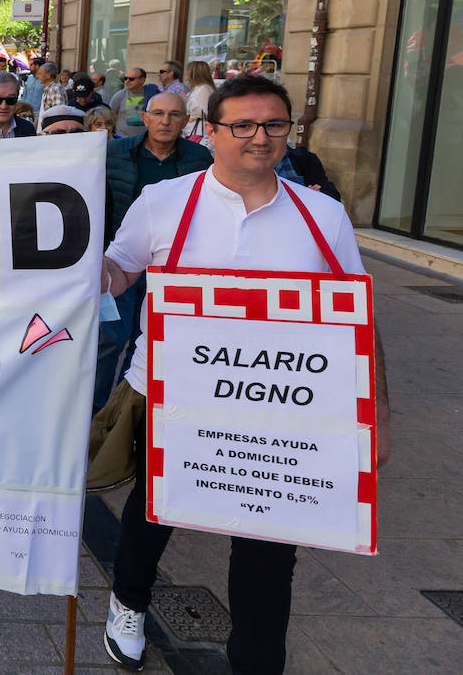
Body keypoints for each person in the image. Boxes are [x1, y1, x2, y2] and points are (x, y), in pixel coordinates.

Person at [100, 76, 387, 674]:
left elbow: (357, 315)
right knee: (154, 514)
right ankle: (128, 601)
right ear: (210, 134)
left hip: (281, 409)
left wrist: (375, 416)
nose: (261, 138)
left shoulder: (323, 215)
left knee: (268, 550)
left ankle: (257, 663)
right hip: (170, 397)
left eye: (274, 125)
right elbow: (118, 272)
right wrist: (67, 263)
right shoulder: (165, 202)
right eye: (244, 126)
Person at [95, 93, 211, 412]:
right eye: (158, 113)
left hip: (169, 267)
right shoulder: (113, 152)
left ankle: (127, 411)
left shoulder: (200, 158)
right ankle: (96, 412)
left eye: (174, 115)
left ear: (186, 121)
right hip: (121, 260)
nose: (165, 121)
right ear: (144, 119)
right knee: (110, 341)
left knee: (146, 343)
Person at [109, 68, 160, 138]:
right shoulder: (119, 96)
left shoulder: (152, 94)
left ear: (142, 80)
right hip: (123, 139)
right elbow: (111, 116)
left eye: (131, 79)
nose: (127, 81)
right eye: (125, 78)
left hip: (145, 139)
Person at [183, 60, 217, 143]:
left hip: (198, 132)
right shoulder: (196, 88)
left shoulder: (204, 88)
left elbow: (205, 113)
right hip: (191, 131)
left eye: (188, 70)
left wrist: (188, 101)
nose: (186, 73)